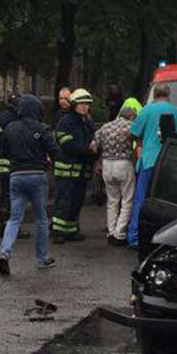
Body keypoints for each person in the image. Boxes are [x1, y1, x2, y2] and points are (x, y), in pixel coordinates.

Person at [0, 95, 59, 275]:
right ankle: (42, 258)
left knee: (14, 218)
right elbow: (54, 151)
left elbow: (4, 150)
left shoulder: (10, 128)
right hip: (37, 175)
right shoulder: (41, 128)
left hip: (16, 176)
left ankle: (5, 253)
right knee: (40, 219)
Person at [126, 83, 177, 249]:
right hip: (169, 162)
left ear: (154, 95)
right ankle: (167, 236)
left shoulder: (146, 110)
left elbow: (134, 133)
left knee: (141, 199)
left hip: (149, 160)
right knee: (168, 200)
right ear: (169, 95)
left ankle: (134, 237)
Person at [52, 89, 97, 243]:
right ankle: (58, 231)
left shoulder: (88, 122)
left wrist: (96, 151)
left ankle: (71, 229)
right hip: (66, 171)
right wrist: (87, 151)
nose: (85, 107)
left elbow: (94, 142)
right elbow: (67, 145)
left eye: (87, 104)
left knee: (77, 202)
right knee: (63, 201)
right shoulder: (66, 121)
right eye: (82, 104)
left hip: (81, 171)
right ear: (74, 105)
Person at [96, 101, 139, 246]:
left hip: (107, 164)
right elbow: (139, 142)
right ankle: (119, 234)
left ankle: (110, 231)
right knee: (127, 200)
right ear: (132, 117)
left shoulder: (106, 127)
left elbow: (94, 145)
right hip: (124, 164)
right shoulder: (131, 126)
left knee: (112, 200)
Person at [0, 91, 23, 236]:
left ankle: (4, 225)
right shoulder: (13, 118)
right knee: (12, 195)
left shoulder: (5, 116)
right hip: (10, 162)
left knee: (6, 194)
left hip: (3, 162)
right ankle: (9, 226)